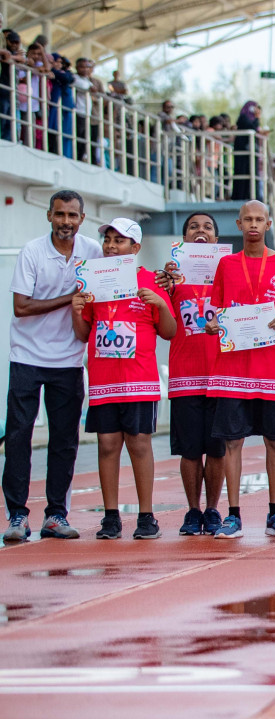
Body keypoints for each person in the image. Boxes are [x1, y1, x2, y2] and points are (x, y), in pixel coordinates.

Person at [3, 191, 103, 542]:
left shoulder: (92, 250)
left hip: (69, 360)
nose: (65, 222)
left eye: (72, 215)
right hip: (27, 357)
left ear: (82, 218)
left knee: (64, 440)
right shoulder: (33, 251)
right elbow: (21, 307)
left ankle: (56, 516)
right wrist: (69, 298)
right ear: (49, 216)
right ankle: (17, 516)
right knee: (18, 438)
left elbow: (121, 268)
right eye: (59, 215)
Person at [71, 218, 176, 539]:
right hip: (104, 379)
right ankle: (111, 516)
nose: (112, 246)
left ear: (135, 248)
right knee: (106, 445)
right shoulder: (91, 282)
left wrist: (160, 303)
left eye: (120, 240)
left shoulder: (151, 282)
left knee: (140, 444)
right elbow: (83, 334)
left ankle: (146, 516)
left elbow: (169, 332)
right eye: (108, 240)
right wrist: (76, 311)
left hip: (139, 379)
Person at [205, 200, 275, 538]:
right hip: (232, 367)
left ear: (269, 224)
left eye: (259, 219)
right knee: (233, 443)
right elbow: (214, 310)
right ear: (237, 223)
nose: (253, 225)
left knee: (273, 441)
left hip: (271, 368)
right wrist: (213, 324)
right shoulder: (226, 264)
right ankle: (233, 514)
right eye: (247, 219)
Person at [154, 212, 227, 535]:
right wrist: (164, 285)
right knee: (189, 449)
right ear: (184, 239)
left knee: (217, 449)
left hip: (220, 374)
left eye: (207, 227)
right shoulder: (172, 280)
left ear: (216, 238)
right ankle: (192, 510)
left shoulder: (229, 272)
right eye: (193, 227)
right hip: (185, 375)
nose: (201, 231)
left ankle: (212, 509)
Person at [231, 100, 260, 202]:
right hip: (243, 150)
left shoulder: (250, 118)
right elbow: (252, 127)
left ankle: (250, 195)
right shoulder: (243, 117)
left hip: (249, 152)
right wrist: (257, 118)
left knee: (250, 173)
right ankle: (240, 196)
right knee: (242, 173)